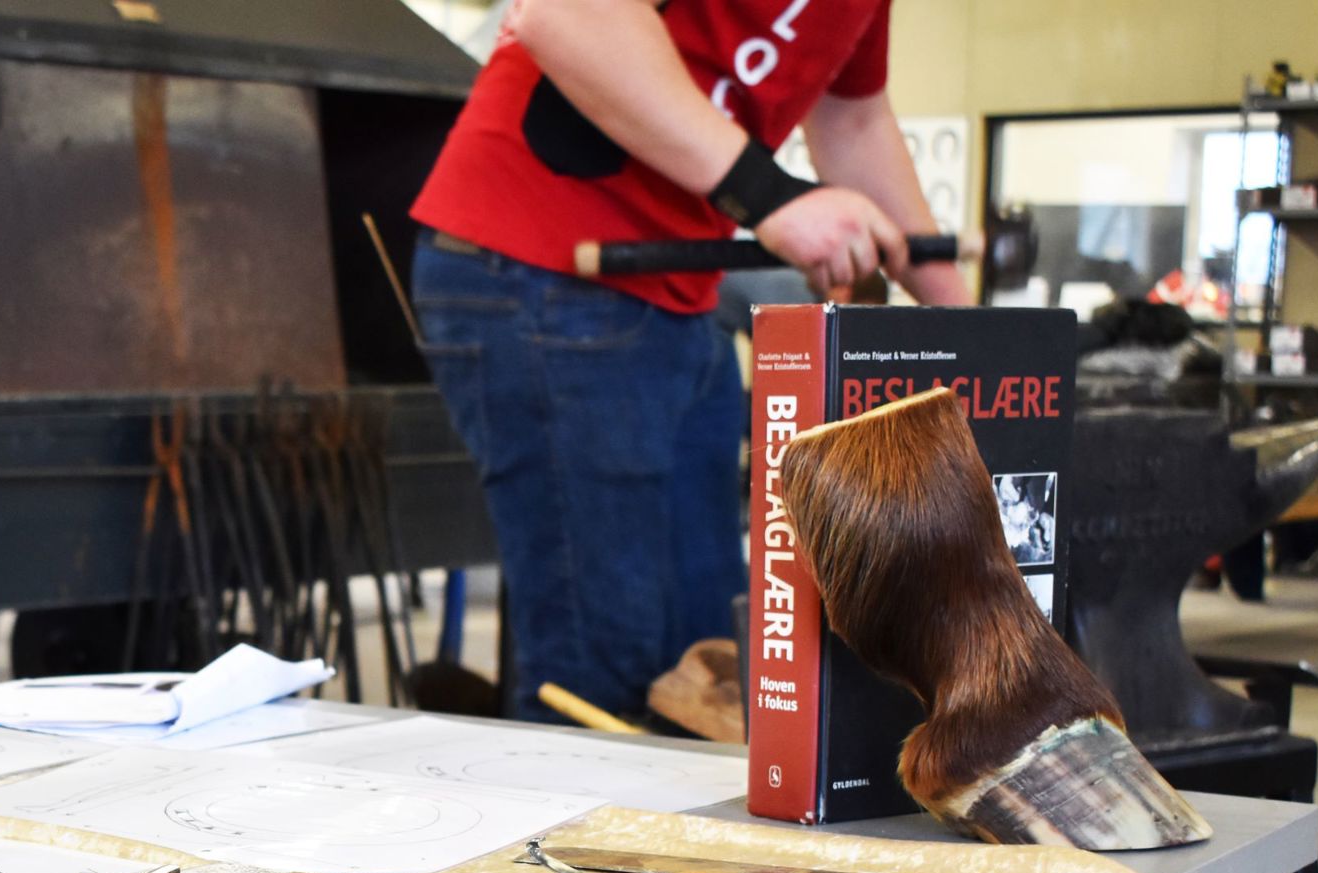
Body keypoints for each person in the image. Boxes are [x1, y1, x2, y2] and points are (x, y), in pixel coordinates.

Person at [410, 0, 970, 722]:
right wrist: (770, 198)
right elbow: (565, 14)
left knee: (708, 659)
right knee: (603, 667)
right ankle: (576, 838)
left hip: (670, 291)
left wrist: (970, 330)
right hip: (541, 268)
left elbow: (851, 122)